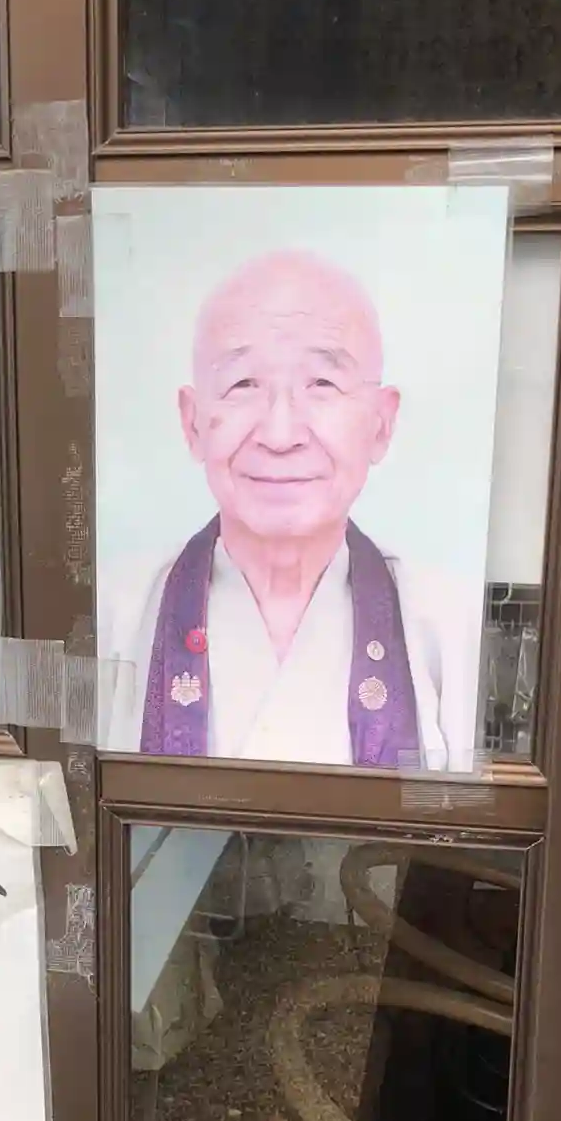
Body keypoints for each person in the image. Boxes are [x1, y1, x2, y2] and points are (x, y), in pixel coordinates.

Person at [99, 249, 480, 769]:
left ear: (381, 423)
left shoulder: (452, 629)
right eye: (242, 385)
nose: (280, 435)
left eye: (322, 384)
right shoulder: (106, 618)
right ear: (192, 422)